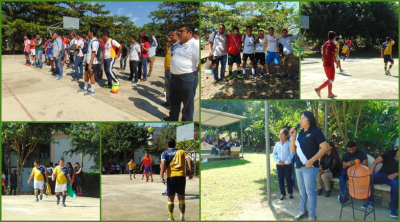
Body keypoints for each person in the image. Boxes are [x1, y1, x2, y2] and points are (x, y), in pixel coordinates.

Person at [290, 111, 331, 220]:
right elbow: (293, 150)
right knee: (302, 191)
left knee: (310, 191)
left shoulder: (315, 132)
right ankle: (303, 210)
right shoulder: (299, 134)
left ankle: (312, 215)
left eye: (303, 118)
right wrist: (293, 137)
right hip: (299, 166)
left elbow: (325, 147)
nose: (300, 120)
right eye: (300, 118)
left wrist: (312, 160)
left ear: (309, 120)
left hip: (310, 167)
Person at [163, 25, 199, 122]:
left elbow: (200, 61)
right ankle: (173, 118)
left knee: (188, 103)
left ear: (189, 33)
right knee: (174, 100)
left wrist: (194, 74)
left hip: (187, 78)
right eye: (179, 31)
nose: (179, 33)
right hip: (175, 77)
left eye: (182, 31)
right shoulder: (179, 44)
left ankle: (186, 122)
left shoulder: (194, 44)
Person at [160, 138, 193, 221]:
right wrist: (190, 172)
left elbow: (163, 164)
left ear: (167, 145)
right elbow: (189, 160)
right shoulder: (182, 152)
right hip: (181, 176)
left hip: (170, 176)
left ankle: (171, 217)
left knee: (171, 198)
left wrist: (161, 176)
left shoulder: (164, 153)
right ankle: (182, 217)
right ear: (175, 144)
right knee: (181, 197)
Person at [362, 148, 398, 218]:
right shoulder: (389, 153)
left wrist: (396, 174)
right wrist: (371, 175)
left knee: (397, 185)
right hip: (381, 174)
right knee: (368, 179)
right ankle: (370, 202)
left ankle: (393, 207)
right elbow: (375, 162)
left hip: (394, 177)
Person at [315, 31, 339, 99]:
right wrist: (337, 63)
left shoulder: (325, 44)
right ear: (334, 37)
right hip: (330, 64)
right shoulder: (333, 45)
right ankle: (318, 88)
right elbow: (333, 56)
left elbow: (323, 54)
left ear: (328, 36)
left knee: (330, 79)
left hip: (325, 63)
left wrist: (323, 61)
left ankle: (330, 93)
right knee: (331, 79)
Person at [78, 26, 100, 96]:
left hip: (92, 63)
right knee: (86, 74)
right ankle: (85, 88)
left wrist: (90, 64)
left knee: (91, 76)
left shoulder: (95, 42)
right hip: (88, 62)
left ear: (91, 32)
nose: (88, 33)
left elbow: (94, 53)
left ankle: (92, 91)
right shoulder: (92, 41)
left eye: (89, 31)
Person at [273, 129, 293, 200]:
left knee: (288, 179)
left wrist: (285, 162)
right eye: (279, 134)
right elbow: (274, 154)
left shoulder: (289, 144)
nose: (280, 136)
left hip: (287, 165)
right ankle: (282, 194)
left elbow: (291, 154)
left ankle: (290, 193)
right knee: (280, 180)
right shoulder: (277, 144)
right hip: (279, 165)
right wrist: (278, 161)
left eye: (282, 134)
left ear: (286, 136)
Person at [161, 31, 179, 106]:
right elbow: (166, 52)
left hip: (173, 70)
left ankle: (174, 104)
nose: (170, 36)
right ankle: (168, 101)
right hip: (167, 69)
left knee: (173, 88)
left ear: (178, 36)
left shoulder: (179, 46)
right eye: (170, 35)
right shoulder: (171, 45)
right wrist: (166, 44)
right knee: (167, 86)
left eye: (173, 35)